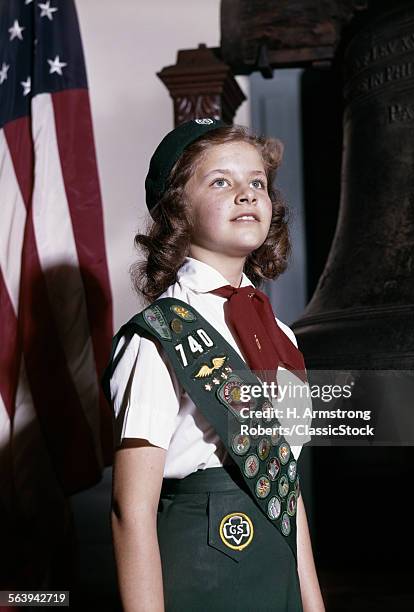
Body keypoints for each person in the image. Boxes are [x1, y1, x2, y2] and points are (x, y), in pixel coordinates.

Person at [103, 118, 326, 612]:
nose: (246, 194)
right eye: (221, 181)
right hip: (202, 563)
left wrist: (311, 600)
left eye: (258, 183)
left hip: (277, 563)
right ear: (179, 209)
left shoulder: (282, 336)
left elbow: (284, 485)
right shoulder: (157, 336)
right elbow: (129, 511)